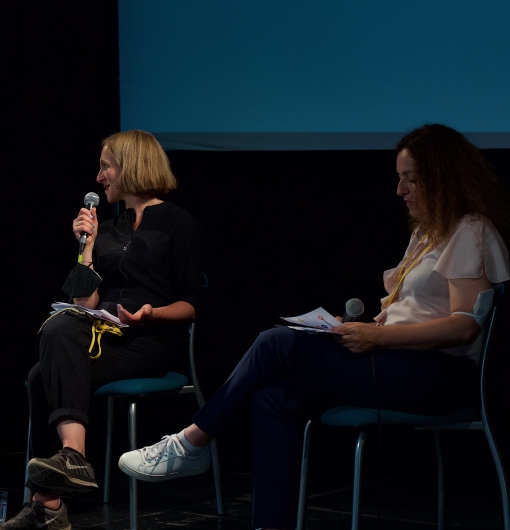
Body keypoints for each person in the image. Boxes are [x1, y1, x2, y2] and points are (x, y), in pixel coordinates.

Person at [118, 124, 510, 529]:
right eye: (400, 178)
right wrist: (357, 327)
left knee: (274, 344)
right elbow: (413, 309)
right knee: (272, 397)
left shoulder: (472, 230)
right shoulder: (428, 235)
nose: (400, 190)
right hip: (397, 361)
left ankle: (192, 441)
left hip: (439, 377)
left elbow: (465, 326)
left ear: (443, 177)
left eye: (411, 179)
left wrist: (379, 336)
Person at [0, 130, 207, 530]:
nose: (99, 177)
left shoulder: (179, 225)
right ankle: (52, 500)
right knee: (41, 372)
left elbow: (194, 304)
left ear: (130, 167)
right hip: (102, 335)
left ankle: (61, 483)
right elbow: (84, 305)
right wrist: (87, 247)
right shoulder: (109, 229)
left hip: (151, 340)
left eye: (105, 167)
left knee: (53, 350)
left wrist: (152, 314)